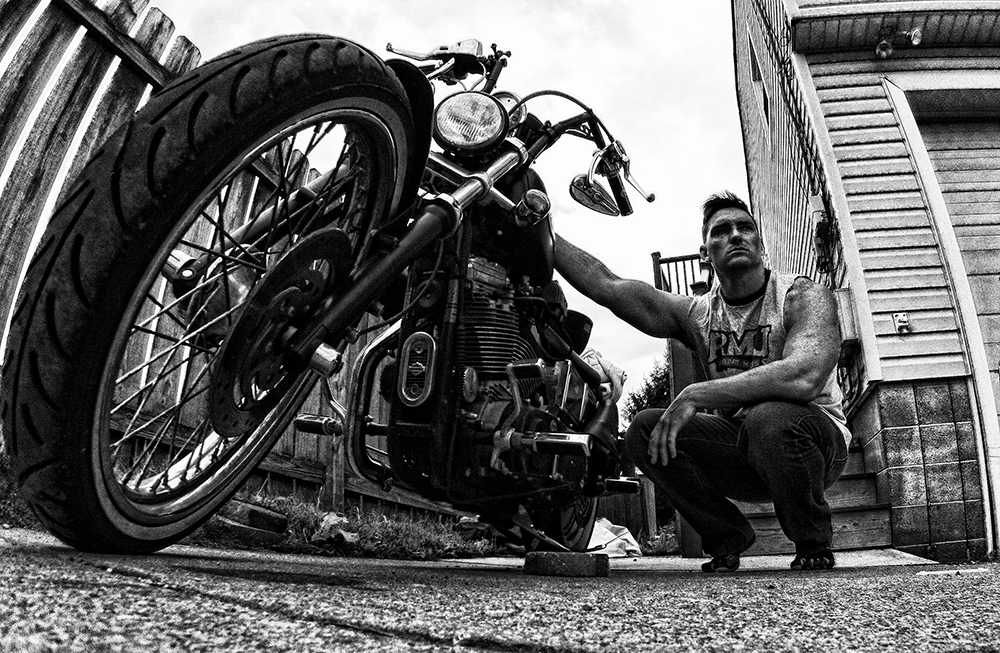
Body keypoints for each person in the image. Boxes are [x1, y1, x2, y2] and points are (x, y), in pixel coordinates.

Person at [554, 191, 851, 572]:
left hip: (813, 446)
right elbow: (606, 285)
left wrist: (697, 392)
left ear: (761, 244)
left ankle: (812, 542)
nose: (736, 235)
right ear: (704, 253)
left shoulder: (801, 296)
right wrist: (541, 226)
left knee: (769, 417)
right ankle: (727, 538)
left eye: (746, 228)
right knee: (647, 428)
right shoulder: (698, 315)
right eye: (722, 231)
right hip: (742, 450)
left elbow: (805, 377)